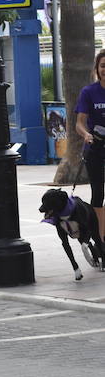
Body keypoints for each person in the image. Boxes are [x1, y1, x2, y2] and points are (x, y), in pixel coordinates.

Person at [75, 49, 105, 239]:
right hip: (95, 148)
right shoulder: (89, 92)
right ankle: (99, 238)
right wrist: (86, 135)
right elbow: (79, 123)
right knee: (98, 193)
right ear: (97, 68)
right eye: (103, 66)